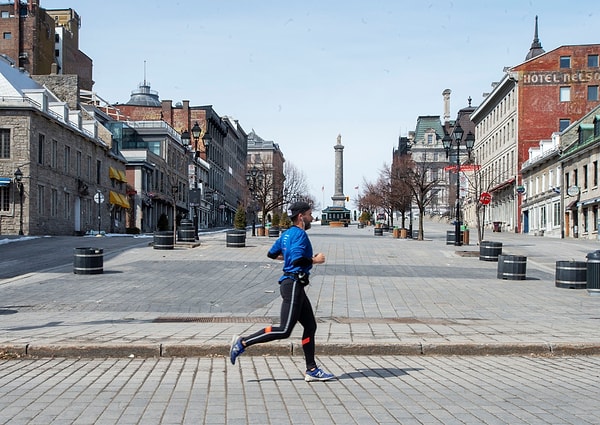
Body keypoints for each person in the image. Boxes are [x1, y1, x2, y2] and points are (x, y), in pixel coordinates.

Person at [229, 201, 335, 382]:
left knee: (310, 326)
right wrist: (315, 260)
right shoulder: (300, 234)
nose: (311, 218)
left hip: (295, 285)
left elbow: (271, 253)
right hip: (292, 283)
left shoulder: (286, 234)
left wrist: (289, 259)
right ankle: (243, 342)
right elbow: (296, 259)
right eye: (309, 214)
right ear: (301, 216)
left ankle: (311, 369)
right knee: (285, 329)